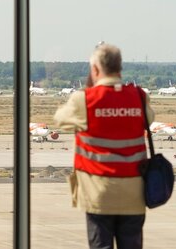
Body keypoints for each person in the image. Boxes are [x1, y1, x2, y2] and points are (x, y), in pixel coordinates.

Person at [54, 43, 154, 249]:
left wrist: (89, 87)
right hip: (133, 194)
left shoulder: (85, 99)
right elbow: (149, 120)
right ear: (120, 68)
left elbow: (60, 120)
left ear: (95, 70)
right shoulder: (138, 96)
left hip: (98, 194)